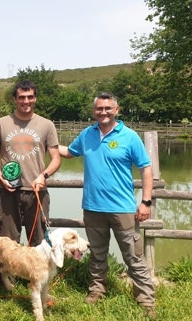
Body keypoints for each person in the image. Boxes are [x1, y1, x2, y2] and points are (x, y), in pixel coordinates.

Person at [58, 91, 156, 318]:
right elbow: (69, 153)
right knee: (97, 255)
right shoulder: (87, 134)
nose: (103, 112)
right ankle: (97, 291)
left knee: (133, 256)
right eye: (99, 109)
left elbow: (146, 169)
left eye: (107, 108)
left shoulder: (129, 136)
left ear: (116, 110)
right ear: (94, 111)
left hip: (123, 209)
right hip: (92, 208)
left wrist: (145, 201)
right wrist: (44, 143)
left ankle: (146, 300)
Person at [0, 80, 61, 247]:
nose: (26, 101)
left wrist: (44, 175)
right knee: (7, 244)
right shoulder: (1, 123)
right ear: (15, 99)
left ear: (35, 98)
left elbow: (56, 158)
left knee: (40, 244)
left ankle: (35, 274)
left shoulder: (47, 125)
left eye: (30, 97)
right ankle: (7, 274)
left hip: (36, 191)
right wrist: (0, 177)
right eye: (21, 97)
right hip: (7, 191)